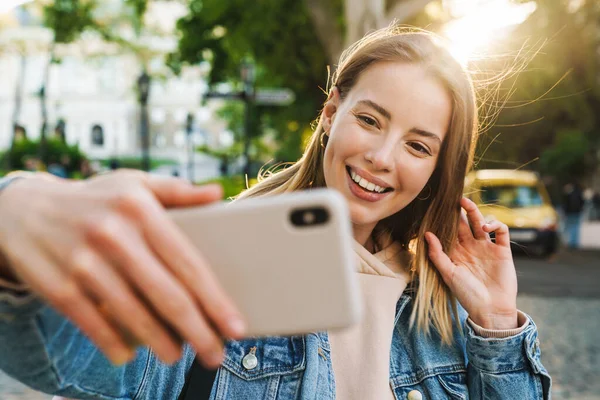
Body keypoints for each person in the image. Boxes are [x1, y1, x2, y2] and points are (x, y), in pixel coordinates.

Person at [0, 26, 550, 399]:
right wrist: (13, 215)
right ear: (332, 113)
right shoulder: (217, 267)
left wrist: (497, 324)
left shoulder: (449, 313)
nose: (382, 159)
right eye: (372, 120)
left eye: (418, 145)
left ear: (437, 169)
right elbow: (57, 356)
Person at [562, 181, 585, 249]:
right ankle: (574, 242)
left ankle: (571, 242)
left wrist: (565, 212)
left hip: (570, 213)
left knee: (570, 227)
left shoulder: (569, 194)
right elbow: (582, 202)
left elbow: (566, 204)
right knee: (576, 227)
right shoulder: (579, 193)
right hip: (577, 213)